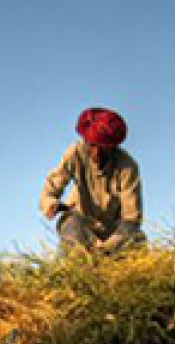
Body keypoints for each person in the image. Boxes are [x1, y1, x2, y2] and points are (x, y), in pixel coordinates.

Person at [40, 107, 144, 254]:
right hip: (80, 224)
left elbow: (131, 219)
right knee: (70, 224)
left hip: (115, 232)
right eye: (92, 145)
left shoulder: (128, 167)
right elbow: (51, 189)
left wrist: (105, 249)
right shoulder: (75, 154)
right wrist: (50, 204)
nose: (97, 153)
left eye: (104, 148)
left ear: (113, 147)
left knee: (136, 238)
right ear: (85, 140)